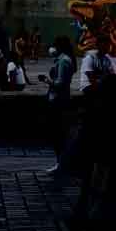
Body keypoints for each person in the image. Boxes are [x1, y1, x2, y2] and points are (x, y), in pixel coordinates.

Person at [66, 72, 116, 231]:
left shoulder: (99, 105)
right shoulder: (106, 108)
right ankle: (94, 225)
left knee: (95, 193)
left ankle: (89, 224)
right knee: (101, 193)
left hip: (103, 157)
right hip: (104, 157)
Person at [41, 37, 78, 180]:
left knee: (58, 135)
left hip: (58, 100)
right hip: (61, 99)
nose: (52, 48)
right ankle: (62, 163)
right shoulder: (65, 59)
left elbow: (60, 83)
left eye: (54, 45)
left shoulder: (63, 60)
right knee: (59, 134)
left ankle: (61, 164)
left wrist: (46, 81)